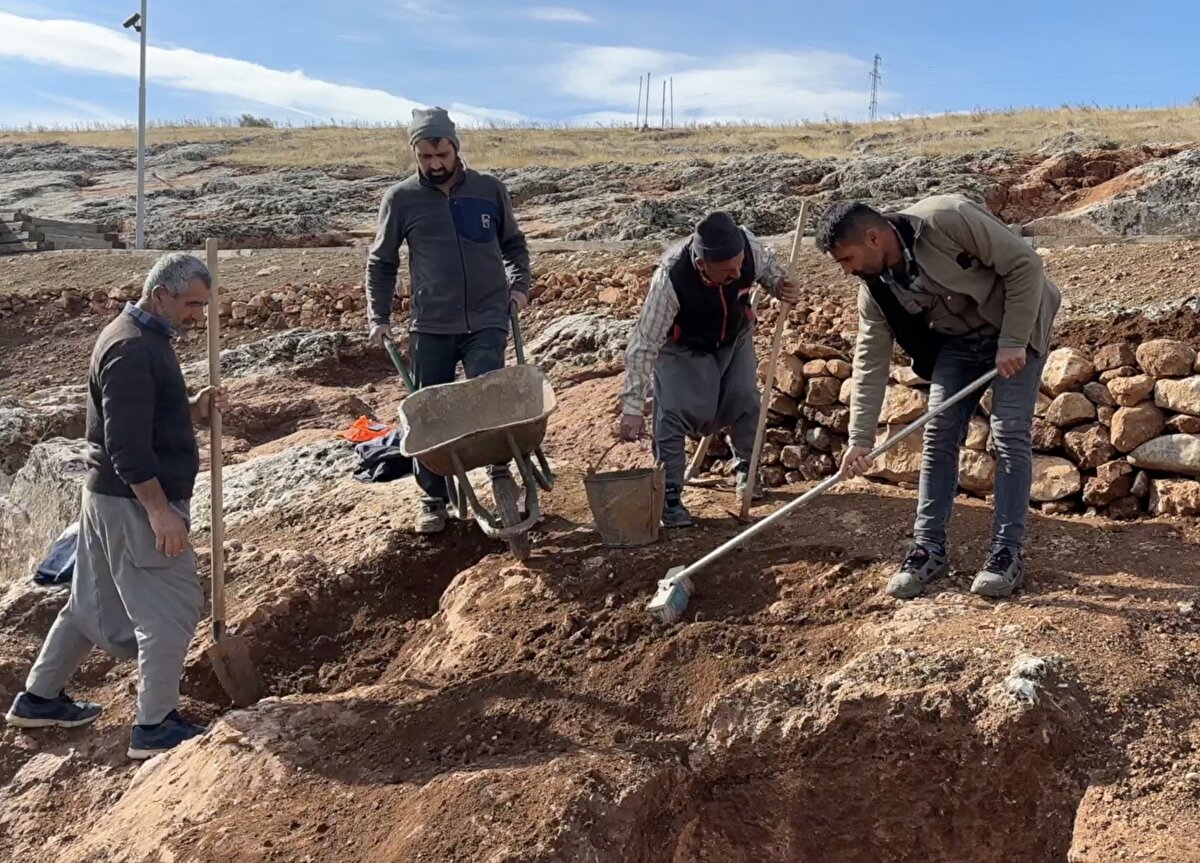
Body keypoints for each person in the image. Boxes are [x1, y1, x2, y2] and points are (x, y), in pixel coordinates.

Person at [4, 252, 226, 760]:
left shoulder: (141, 336)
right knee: (172, 610)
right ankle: (155, 725)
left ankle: (39, 698)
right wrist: (159, 511)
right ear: (161, 295)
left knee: (88, 605)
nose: (198, 315)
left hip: (105, 499)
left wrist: (192, 410)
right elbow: (125, 446)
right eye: (192, 304)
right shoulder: (130, 349)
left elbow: (138, 418)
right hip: (132, 501)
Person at [815, 195, 1060, 599]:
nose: (847, 271)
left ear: (873, 237)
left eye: (846, 259)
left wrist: (1013, 341)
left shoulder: (948, 218)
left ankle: (1006, 552)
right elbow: (870, 360)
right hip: (958, 344)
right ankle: (928, 548)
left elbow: (1025, 265)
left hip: (1018, 326)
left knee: (1008, 433)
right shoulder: (873, 289)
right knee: (937, 435)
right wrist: (860, 438)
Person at [365, 106, 531, 534]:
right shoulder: (401, 200)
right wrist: (378, 316)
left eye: (442, 154)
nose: (435, 165)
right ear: (415, 155)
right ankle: (432, 497)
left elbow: (514, 246)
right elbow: (381, 262)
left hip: (488, 318)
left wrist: (519, 287)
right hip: (431, 323)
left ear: (455, 148)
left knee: (489, 397)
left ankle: (499, 471)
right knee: (429, 413)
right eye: (425, 157)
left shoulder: (488, 190)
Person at [615, 211, 801, 527]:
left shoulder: (747, 246)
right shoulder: (670, 279)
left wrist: (781, 286)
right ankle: (670, 497)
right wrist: (632, 407)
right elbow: (643, 344)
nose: (738, 273)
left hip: (733, 337)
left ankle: (747, 471)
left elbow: (769, 272)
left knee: (745, 399)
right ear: (703, 265)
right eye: (727, 272)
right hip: (683, 347)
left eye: (740, 265)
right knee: (673, 413)